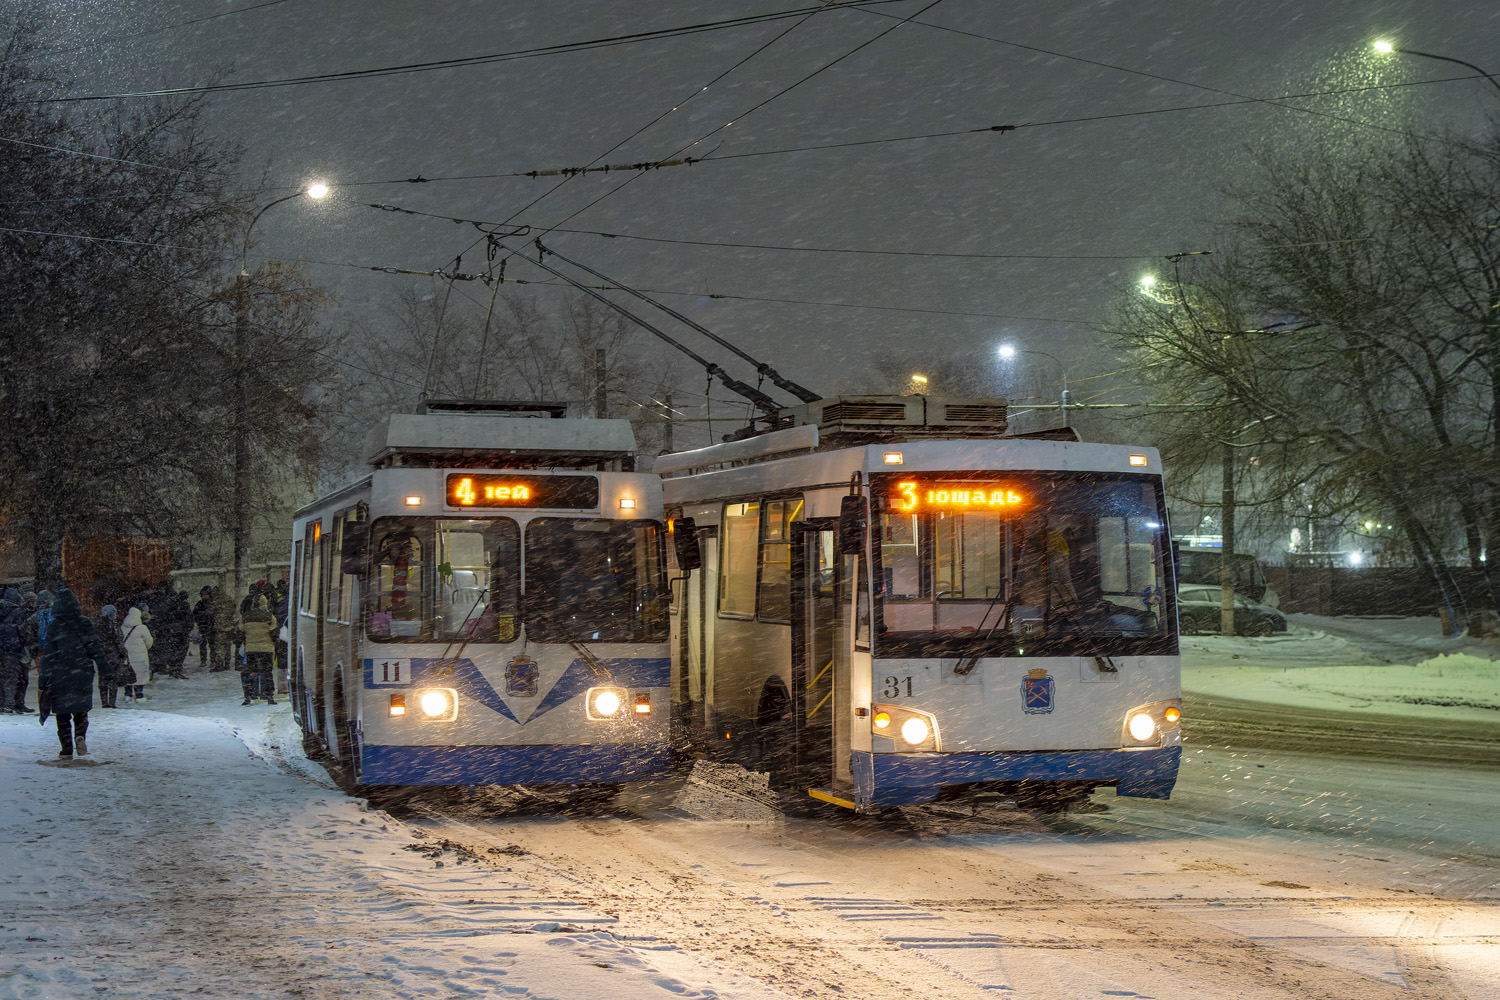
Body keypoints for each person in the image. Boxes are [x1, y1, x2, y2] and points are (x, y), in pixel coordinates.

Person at [37, 588, 109, 759]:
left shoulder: (54, 626)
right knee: (81, 710)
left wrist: (44, 677)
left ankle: (66, 749)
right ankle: (80, 736)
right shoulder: (84, 623)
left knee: (62, 714)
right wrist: (104, 666)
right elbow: (94, 648)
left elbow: (48, 654)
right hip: (81, 672)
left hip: (60, 674)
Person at [238, 592, 277, 706]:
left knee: (251, 672)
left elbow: (240, 633)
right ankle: (269, 696)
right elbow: (274, 633)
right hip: (267, 649)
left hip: (251, 649)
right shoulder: (269, 616)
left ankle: (248, 696)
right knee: (267, 673)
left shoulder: (245, 617)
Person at [119, 604, 153, 703]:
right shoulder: (142, 627)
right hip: (139, 656)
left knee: (127, 673)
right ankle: (139, 695)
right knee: (140, 674)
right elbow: (149, 642)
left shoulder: (123, 626)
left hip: (126, 655)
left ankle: (128, 695)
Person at [94, 605, 126, 708]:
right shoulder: (113, 625)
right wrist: (123, 653)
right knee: (113, 679)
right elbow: (119, 641)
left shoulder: (97, 625)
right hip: (113, 655)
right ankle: (112, 703)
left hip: (101, 655)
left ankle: (104, 702)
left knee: (102, 679)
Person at [0, 588, 25, 715]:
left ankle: (1, 704)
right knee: (11, 677)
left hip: (1, 648)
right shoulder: (18, 612)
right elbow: (22, 631)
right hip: (12, 650)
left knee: (1, 677)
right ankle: (8, 704)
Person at [193, 586, 216, 670]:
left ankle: (213, 660)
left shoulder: (212, 603)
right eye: (203, 595)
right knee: (203, 645)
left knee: (212, 645)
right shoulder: (199, 604)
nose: (204, 596)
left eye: (206, 595)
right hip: (203, 627)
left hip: (211, 626)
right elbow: (194, 614)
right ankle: (203, 660)